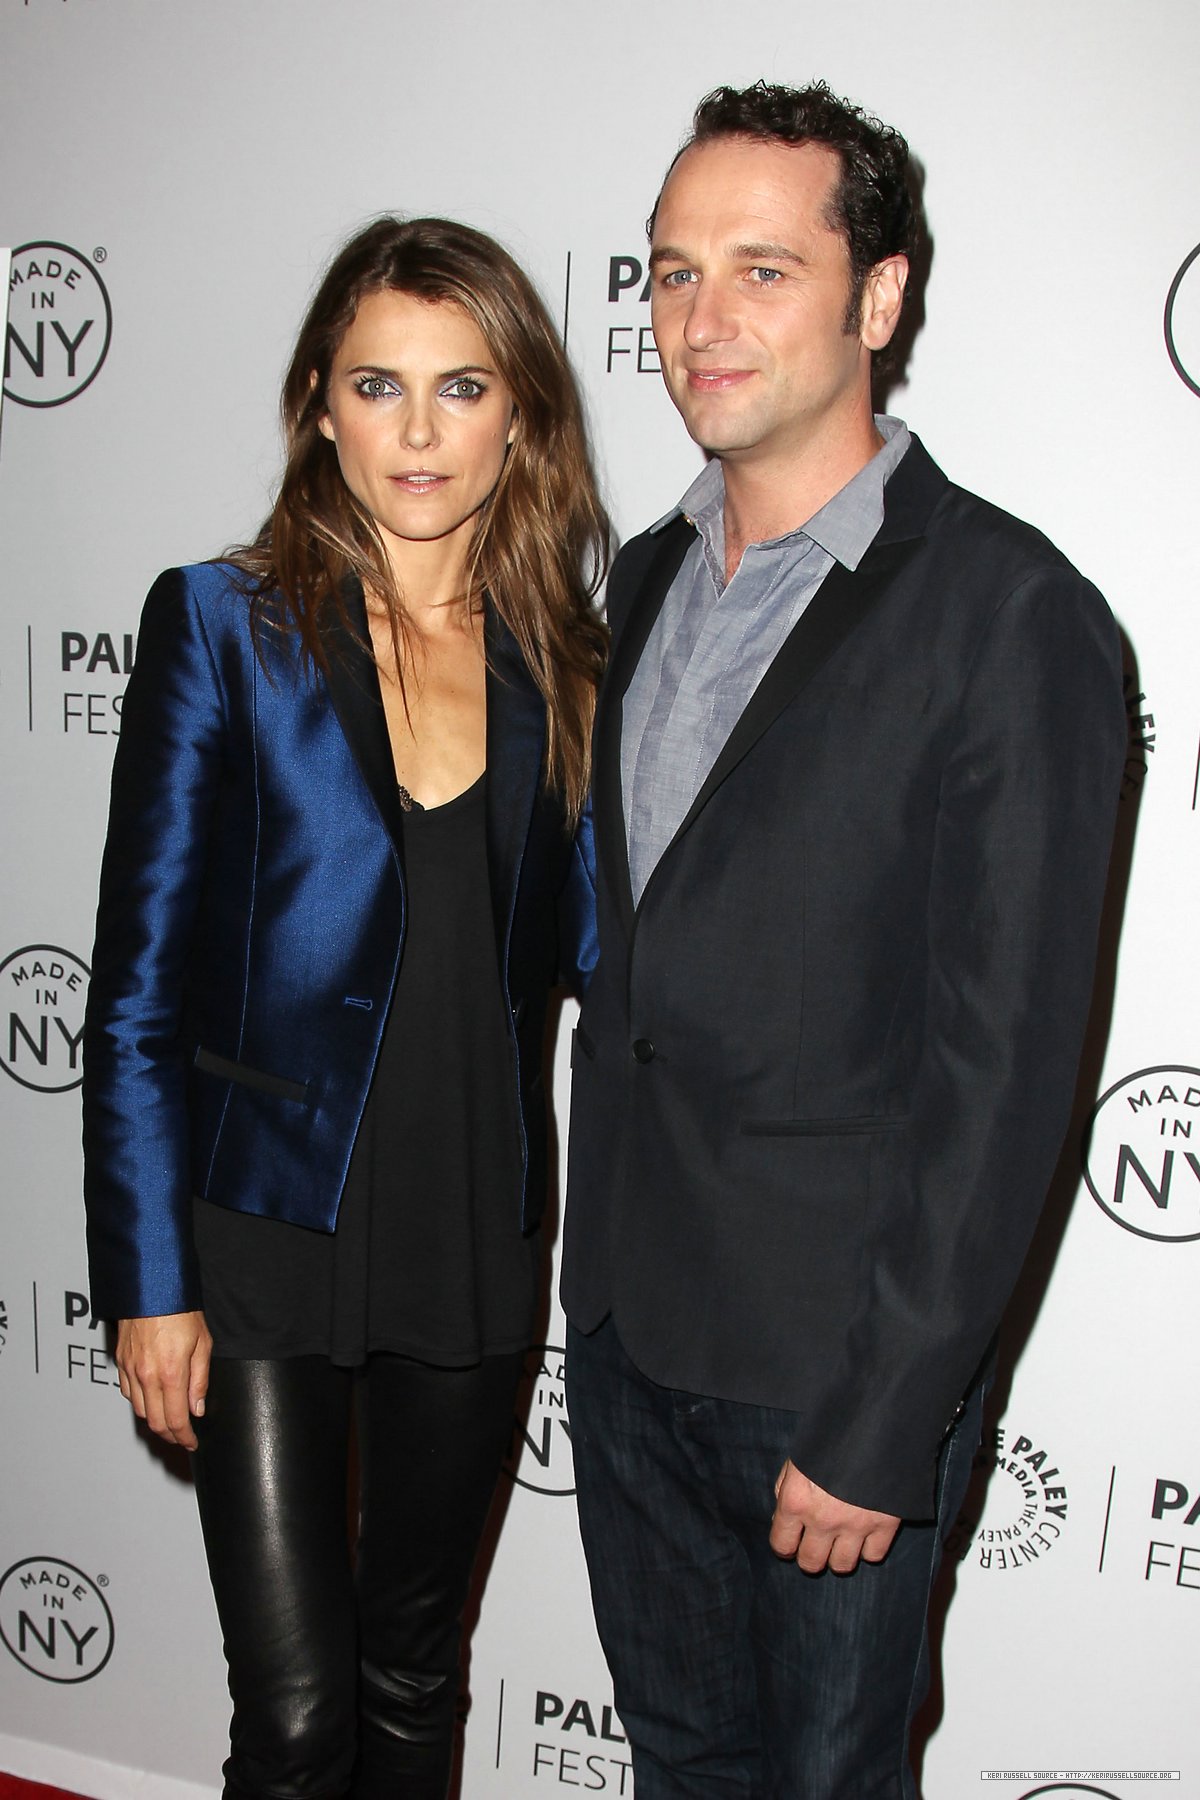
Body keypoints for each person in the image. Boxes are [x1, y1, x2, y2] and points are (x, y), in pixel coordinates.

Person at [562, 80, 1125, 1798]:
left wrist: (884, 1423)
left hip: (832, 1380)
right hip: (630, 1338)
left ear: (878, 298)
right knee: (682, 1768)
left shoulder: (1014, 617)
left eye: (760, 269)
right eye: (669, 274)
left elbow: (1009, 1072)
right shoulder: (643, 584)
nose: (700, 320)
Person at [82, 215, 607, 1800]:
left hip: (473, 1233)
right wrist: (148, 1279)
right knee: (298, 1717)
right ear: (321, 402)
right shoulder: (224, 625)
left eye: (463, 388)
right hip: (262, 1244)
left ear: (518, 412)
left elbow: (596, 950)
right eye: (381, 386)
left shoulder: (565, 657)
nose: (422, 432)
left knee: (413, 1684)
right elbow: (134, 996)